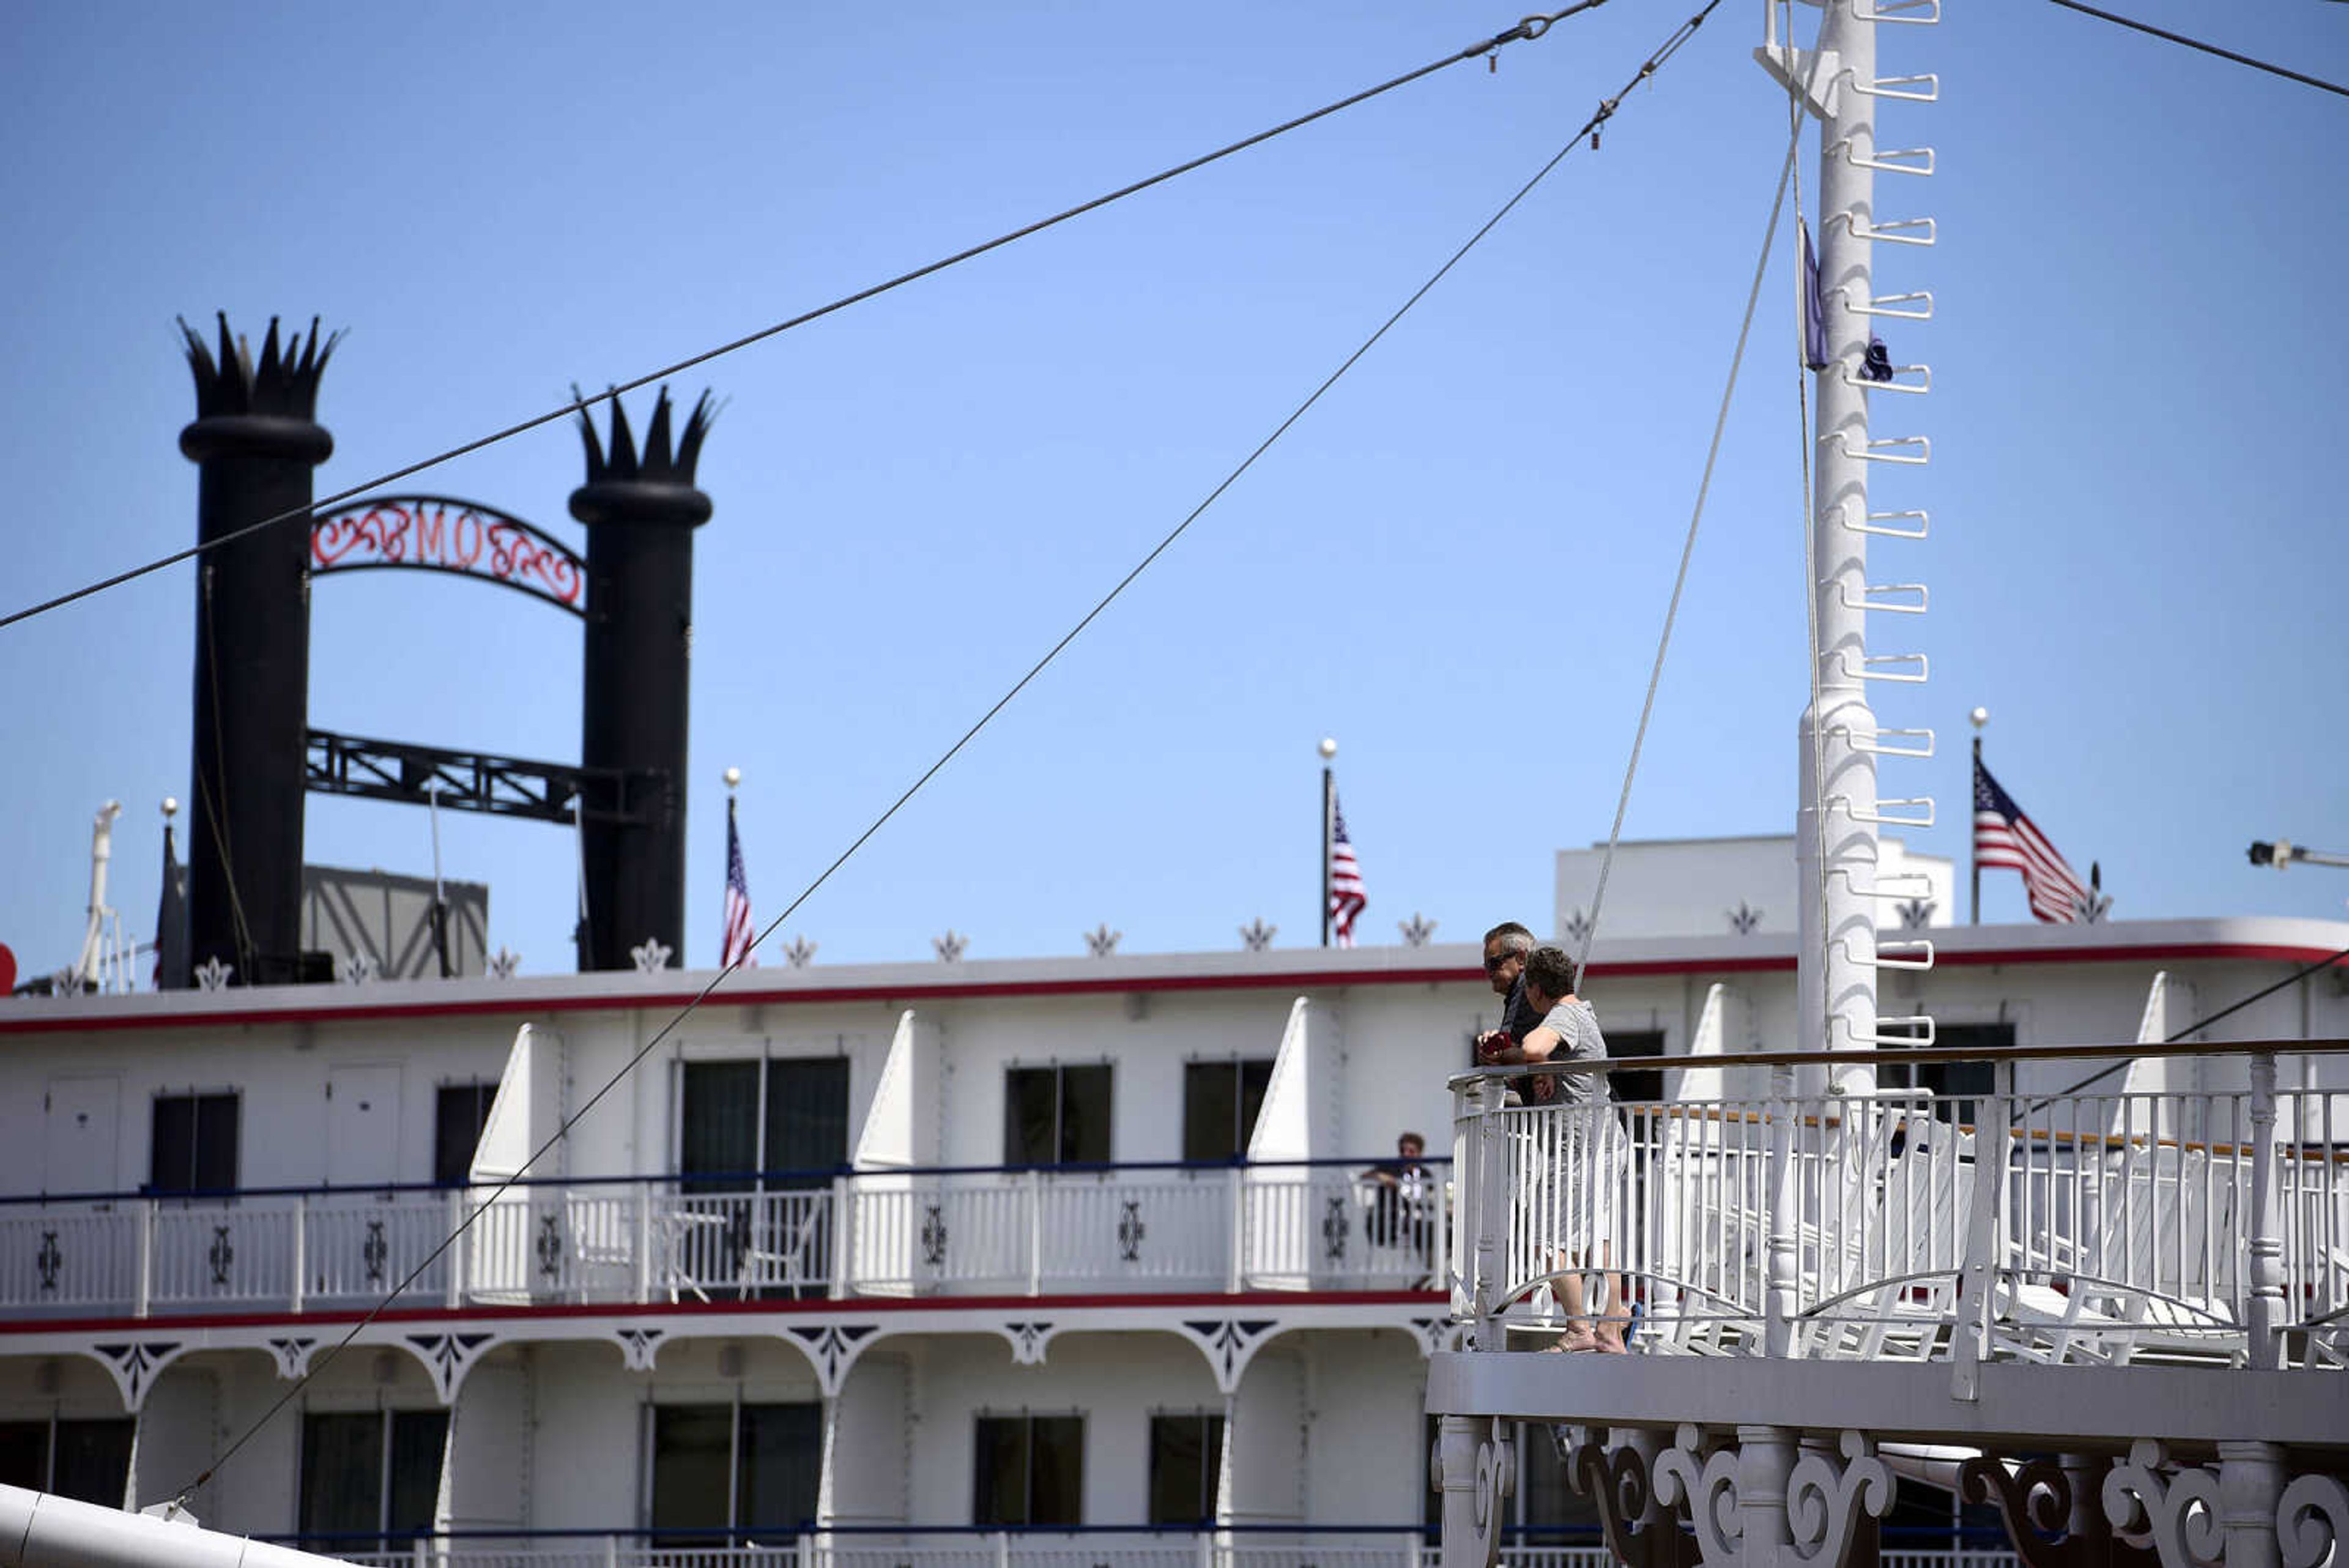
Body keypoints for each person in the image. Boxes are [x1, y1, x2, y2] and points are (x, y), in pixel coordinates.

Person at [1477, 945, 1630, 1352]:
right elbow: (1540, 1056)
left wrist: (1528, 1054)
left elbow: (1533, 1049)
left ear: (1536, 989)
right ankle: (1612, 1328)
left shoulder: (1563, 1014)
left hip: (1579, 1147)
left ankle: (1580, 1328)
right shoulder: (1584, 1012)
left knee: (1547, 1237)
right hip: (1603, 1139)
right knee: (1598, 1235)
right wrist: (1508, 1055)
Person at [1364, 1131, 1433, 1265]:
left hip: (1417, 1222)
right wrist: (1380, 1176)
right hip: (1390, 1223)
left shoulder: (1425, 1174)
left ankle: (1430, 1275)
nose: (1406, 1155)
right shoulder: (1390, 1168)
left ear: (1420, 1154)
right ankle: (1430, 1276)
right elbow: (1364, 1177)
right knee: (1427, 1230)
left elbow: (1430, 1198)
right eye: (1403, 1151)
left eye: (1411, 1151)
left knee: (1442, 1231)